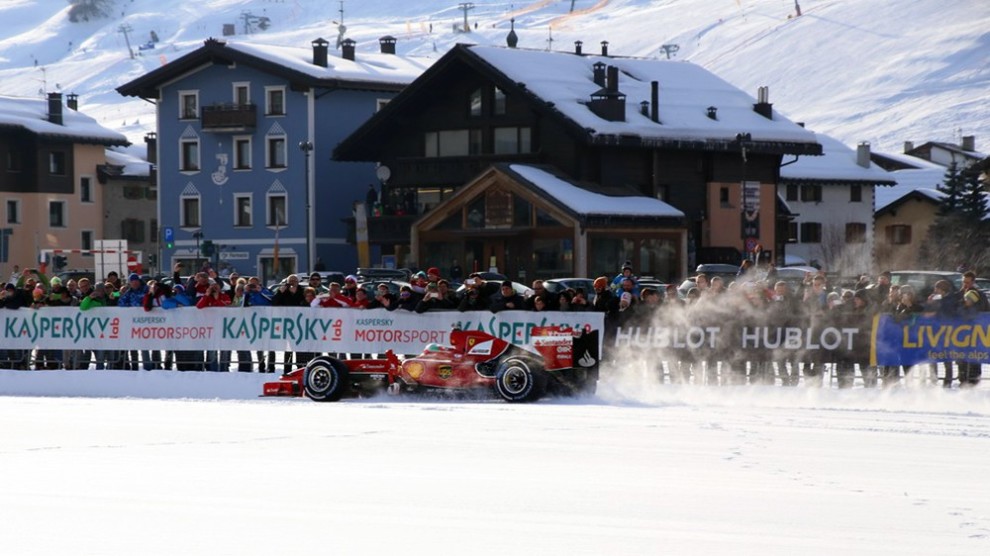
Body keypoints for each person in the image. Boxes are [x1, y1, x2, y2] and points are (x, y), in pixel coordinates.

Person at [118, 273, 151, 370]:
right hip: (133, 324)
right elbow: (121, 302)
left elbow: (147, 300)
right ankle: (135, 367)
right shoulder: (129, 292)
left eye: (136, 281)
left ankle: (148, 367)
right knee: (133, 346)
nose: (134, 283)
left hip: (146, 323)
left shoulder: (146, 289)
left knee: (145, 346)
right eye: (132, 282)